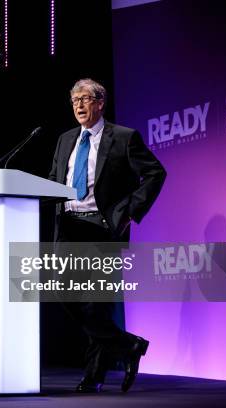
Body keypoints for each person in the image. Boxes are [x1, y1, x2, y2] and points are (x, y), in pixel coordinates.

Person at [48, 78, 166, 393]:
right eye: (74, 101)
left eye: (85, 99)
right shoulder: (65, 140)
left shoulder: (124, 138)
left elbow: (155, 172)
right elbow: (53, 179)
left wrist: (128, 211)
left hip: (102, 229)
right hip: (69, 228)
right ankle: (129, 345)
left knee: (97, 304)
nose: (79, 106)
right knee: (63, 292)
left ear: (100, 103)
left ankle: (94, 375)